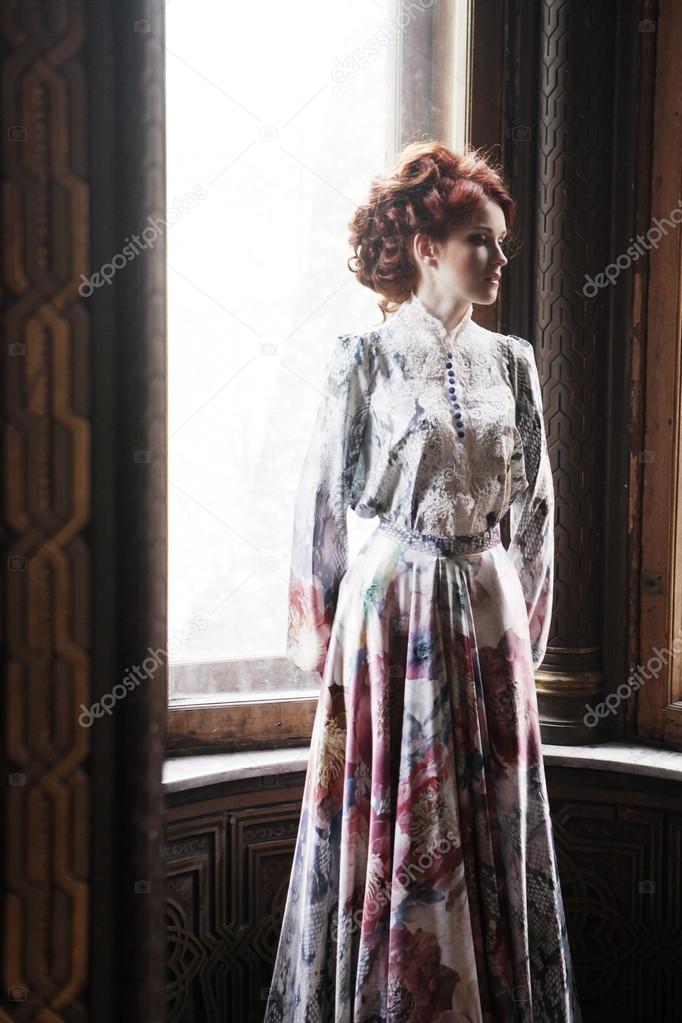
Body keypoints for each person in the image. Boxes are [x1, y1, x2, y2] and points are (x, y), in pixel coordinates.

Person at [264, 141, 583, 1022]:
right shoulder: (361, 360)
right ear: (427, 247)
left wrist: (521, 634)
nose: (498, 259)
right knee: (400, 820)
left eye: (502, 243)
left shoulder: (513, 363)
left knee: (487, 825)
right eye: (481, 239)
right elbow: (323, 503)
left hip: (488, 616)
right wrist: (327, 645)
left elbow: (539, 513)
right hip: (393, 621)